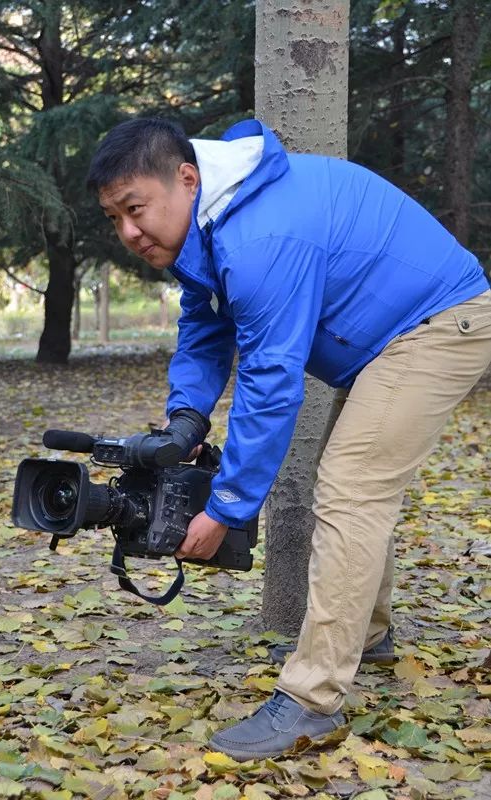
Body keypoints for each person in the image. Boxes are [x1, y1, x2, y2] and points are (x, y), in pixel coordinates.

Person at [87, 117, 491, 761]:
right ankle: (368, 636)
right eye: (115, 218)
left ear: (185, 179)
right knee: (355, 486)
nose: (129, 233)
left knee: (351, 489)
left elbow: (272, 384)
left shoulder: (258, 235)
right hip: (392, 336)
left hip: (442, 320)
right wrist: (185, 419)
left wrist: (226, 508)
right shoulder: (213, 226)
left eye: (136, 210)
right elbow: (203, 329)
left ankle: (311, 701)